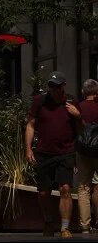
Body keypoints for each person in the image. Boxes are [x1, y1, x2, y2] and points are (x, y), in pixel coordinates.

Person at [26, 72, 83, 238]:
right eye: (51, 86)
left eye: (57, 86)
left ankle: (65, 227)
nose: (54, 89)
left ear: (63, 86)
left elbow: (81, 130)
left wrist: (78, 116)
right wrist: (28, 149)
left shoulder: (72, 102)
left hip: (66, 152)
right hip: (44, 153)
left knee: (65, 188)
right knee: (44, 193)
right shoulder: (40, 101)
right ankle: (48, 221)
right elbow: (30, 125)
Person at [76, 80, 98, 234]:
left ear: (83, 92)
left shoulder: (78, 107)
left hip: (82, 151)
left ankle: (85, 225)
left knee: (84, 187)